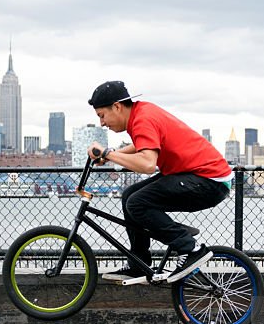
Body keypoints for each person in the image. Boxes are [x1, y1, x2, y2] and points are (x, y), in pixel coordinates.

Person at [86, 80, 233, 284]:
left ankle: (190, 248)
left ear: (117, 107)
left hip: (208, 180)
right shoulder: (141, 113)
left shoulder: (142, 119)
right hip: (195, 175)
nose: (102, 123)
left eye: (102, 115)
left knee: (137, 202)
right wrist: (112, 154)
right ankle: (139, 262)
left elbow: (147, 164)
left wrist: (109, 154)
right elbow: (142, 144)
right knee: (130, 195)